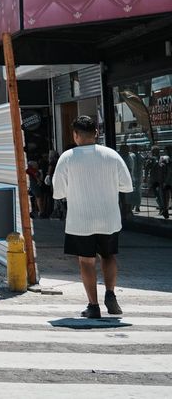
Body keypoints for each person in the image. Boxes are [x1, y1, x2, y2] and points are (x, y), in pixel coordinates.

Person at [52, 116, 133, 319]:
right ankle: (111, 293)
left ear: (75, 135)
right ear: (96, 133)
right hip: (109, 218)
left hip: (80, 220)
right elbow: (127, 186)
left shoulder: (67, 157)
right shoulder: (112, 155)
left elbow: (58, 192)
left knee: (86, 262)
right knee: (109, 256)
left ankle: (93, 306)